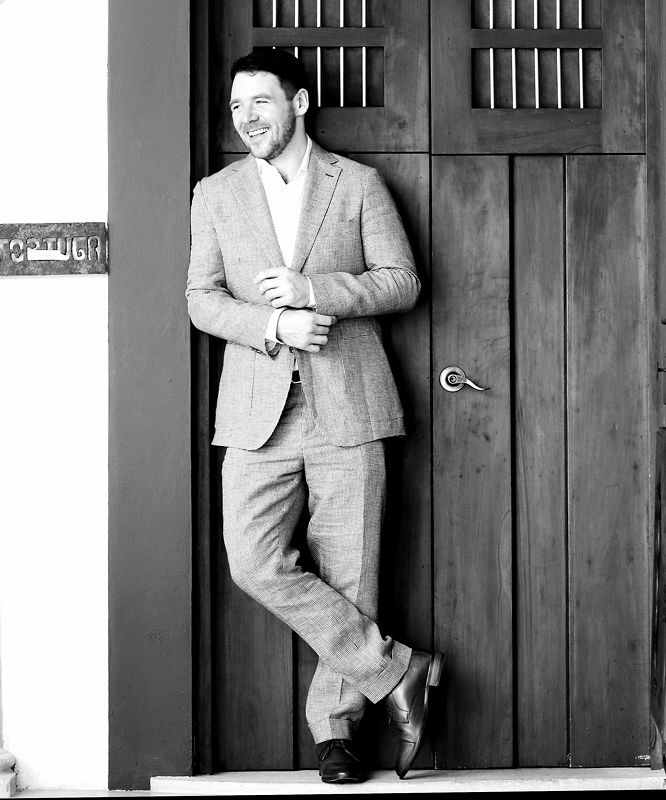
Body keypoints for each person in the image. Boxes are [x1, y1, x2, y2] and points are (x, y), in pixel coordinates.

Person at [186, 48, 444, 784]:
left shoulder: (358, 184)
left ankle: (336, 732)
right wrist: (273, 326)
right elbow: (200, 299)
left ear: (298, 104)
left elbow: (402, 280)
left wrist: (313, 292)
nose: (246, 119)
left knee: (352, 569)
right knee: (255, 562)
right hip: (255, 411)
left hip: (349, 404)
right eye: (237, 108)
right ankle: (397, 672)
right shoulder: (216, 194)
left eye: (260, 102)